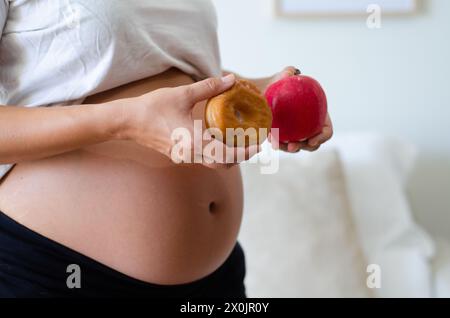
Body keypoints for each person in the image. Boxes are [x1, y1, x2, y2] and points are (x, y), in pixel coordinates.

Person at [0, 0, 333, 297]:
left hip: (216, 276)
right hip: (58, 272)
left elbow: (164, 67)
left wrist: (261, 92)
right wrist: (124, 121)